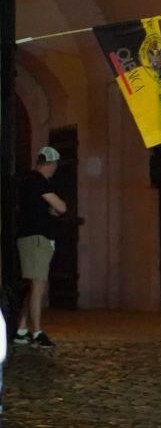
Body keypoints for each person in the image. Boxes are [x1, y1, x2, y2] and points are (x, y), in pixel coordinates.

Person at [13, 146, 67, 350]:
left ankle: (21, 329)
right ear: (50, 164)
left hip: (31, 237)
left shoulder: (29, 181)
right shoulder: (38, 180)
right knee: (38, 285)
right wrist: (57, 206)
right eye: (54, 165)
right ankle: (37, 332)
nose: (54, 170)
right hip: (36, 239)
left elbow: (39, 208)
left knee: (33, 284)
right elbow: (61, 207)